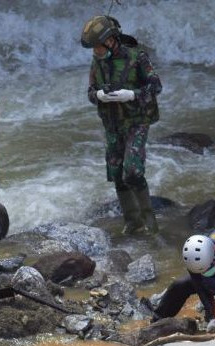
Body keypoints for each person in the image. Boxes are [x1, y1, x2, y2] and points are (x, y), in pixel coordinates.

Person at [81, 16, 162, 235]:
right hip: (113, 124)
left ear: (111, 40)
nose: (96, 51)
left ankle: (150, 221)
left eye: (98, 46)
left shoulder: (137, 57)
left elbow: (156, 86)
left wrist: (131, 94)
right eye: (93, 48)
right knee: (117, 173)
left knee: (133, 171)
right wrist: (98, 95)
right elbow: (90, 92)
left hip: (136, 122)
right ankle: (132, 221)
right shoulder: (97, 62)